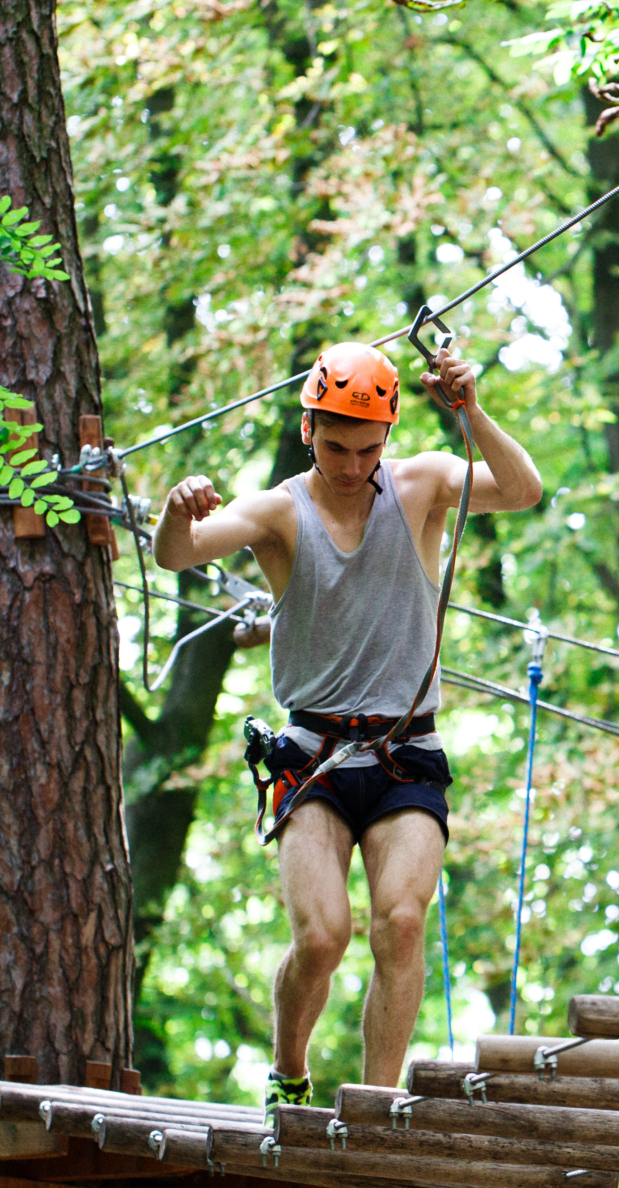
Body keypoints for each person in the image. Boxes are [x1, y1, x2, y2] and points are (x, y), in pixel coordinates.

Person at [153, 338, 542, 1107]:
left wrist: (472, 413)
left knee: (400, 923)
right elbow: (178, 554)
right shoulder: (278, 512)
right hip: (314, 757)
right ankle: (288, 1072)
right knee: (322, 937)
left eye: (367, 447)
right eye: (335, 445)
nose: (350, 463)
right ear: (308, 430)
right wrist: (174, 509)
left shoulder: (423, 482)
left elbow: (523, 488)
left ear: (388, 437)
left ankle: (372, 1106)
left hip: (407, 753)